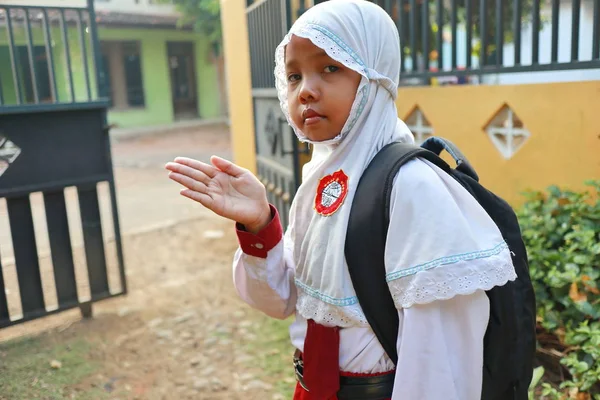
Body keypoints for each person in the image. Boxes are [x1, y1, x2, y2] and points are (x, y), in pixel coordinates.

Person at [165, 1, 517, 399]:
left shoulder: (413, 186)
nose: (306, 91)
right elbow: (281, 301)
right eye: (294, 75)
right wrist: (259, 224)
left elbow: (438, 356)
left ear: (374, 78)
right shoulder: (321, 179)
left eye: (330, 67)